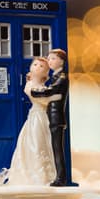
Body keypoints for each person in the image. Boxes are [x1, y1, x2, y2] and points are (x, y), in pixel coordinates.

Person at [7, 57, 57, 185]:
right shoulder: (30, 86)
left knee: (46, 143)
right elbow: (44, 99)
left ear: (46, 72)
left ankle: (47, 174)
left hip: (45, 118)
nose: (37, 67)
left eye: (41, 66)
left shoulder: (44, 87)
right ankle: (37, 173)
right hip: (36, 118)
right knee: (35, 143)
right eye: (35, 64)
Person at [31, 48, 71, 186]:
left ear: (62, 61)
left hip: (56, 117)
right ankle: (58, 176)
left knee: (57, 149)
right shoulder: (55, 76)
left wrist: (36, 92)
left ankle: (61, 178)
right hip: (52, 116)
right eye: (48, 59)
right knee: (54, 148)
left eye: (53, 58)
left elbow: (51, 91)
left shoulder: (62, 77)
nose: (50, 61)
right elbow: (53, 94)